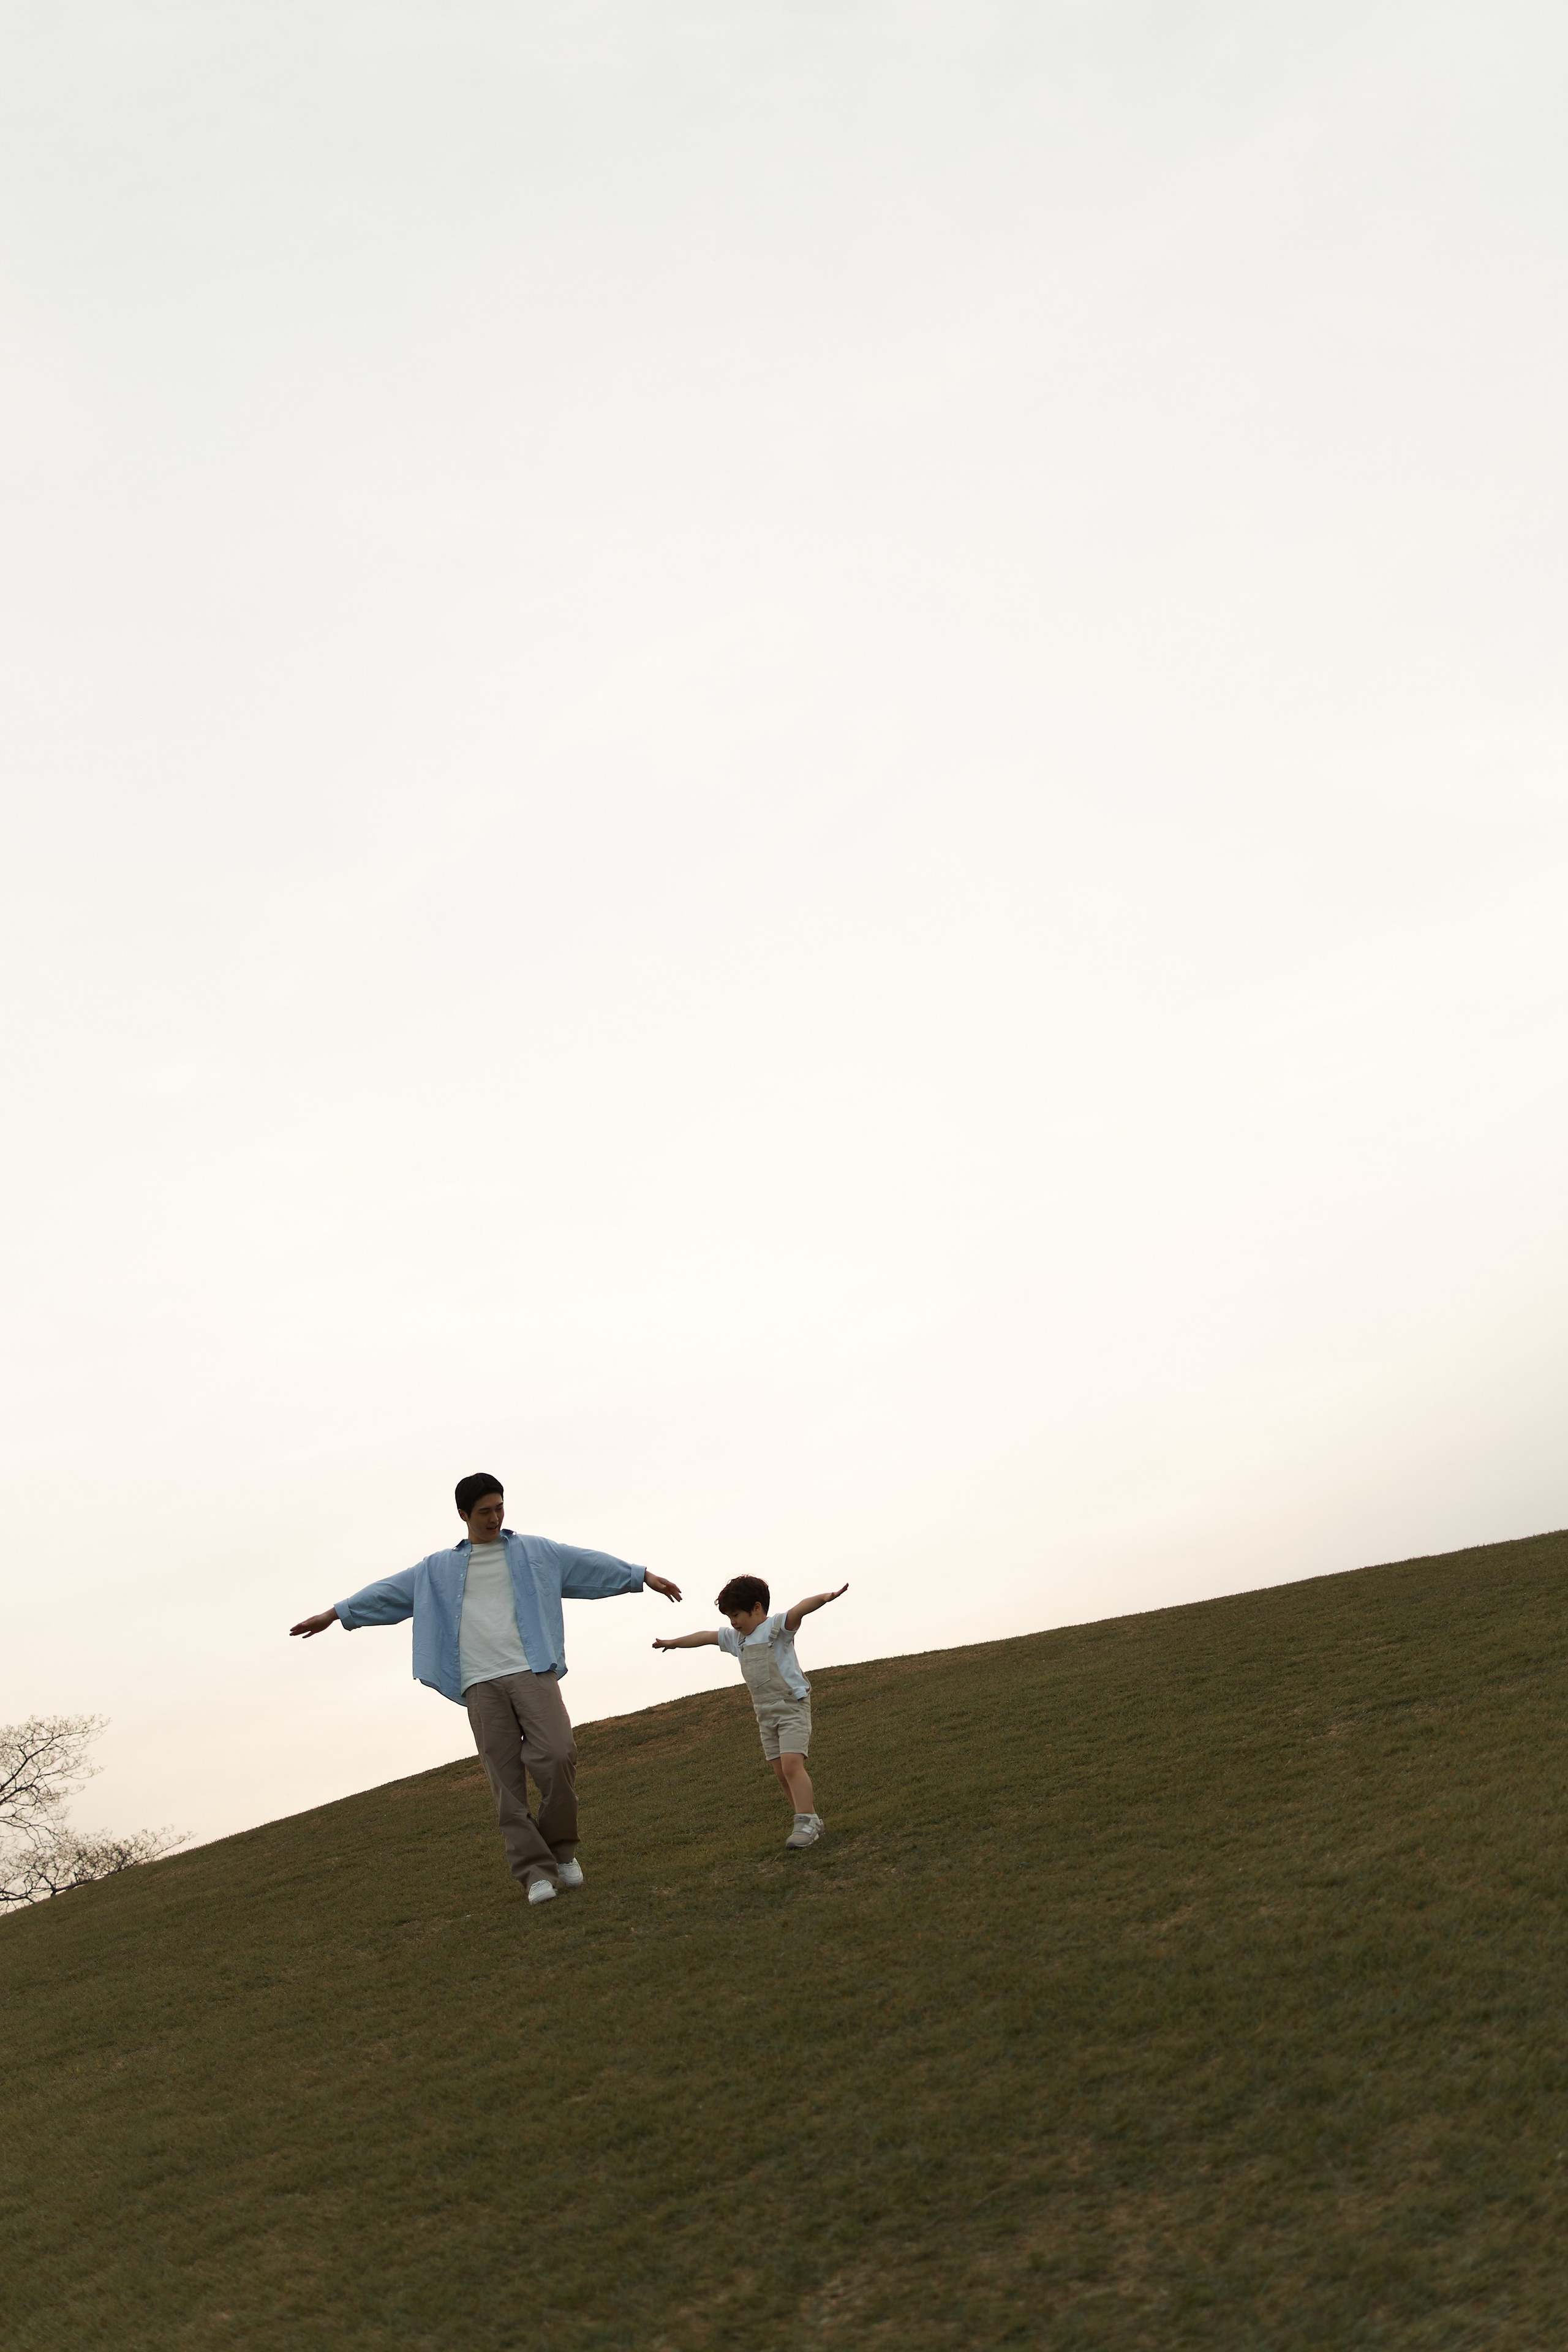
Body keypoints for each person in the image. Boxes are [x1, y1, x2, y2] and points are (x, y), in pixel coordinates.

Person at [290, 1472, 680, 1907]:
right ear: (463, 1516)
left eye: (499, 1508)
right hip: (478, 1681)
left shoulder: (535, 1551)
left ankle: (562, 1852)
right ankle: (535, 1872)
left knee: (557, 1754)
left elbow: (586, 1563)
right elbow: (388, 1592)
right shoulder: (437, 1568)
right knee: (505, 1781)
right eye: (484, 1512)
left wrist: (641, 1575)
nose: (495, 1518)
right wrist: (334, 1614)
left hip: (531, 1670)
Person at [653, 1574, 847, 1849]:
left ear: (757, 1608)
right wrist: (673, 1642)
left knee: (793, 1765)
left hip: (791, 1705)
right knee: (781, 1772)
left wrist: (825, 1598)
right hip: (765, 1714)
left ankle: (806, 1821)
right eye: (729, 1617)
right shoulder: (737, 1639)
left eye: (736, 1615)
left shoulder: (777, 1627)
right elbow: (705, 1637)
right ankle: (807, 1819)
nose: (733, 1622)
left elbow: (800, 1609)